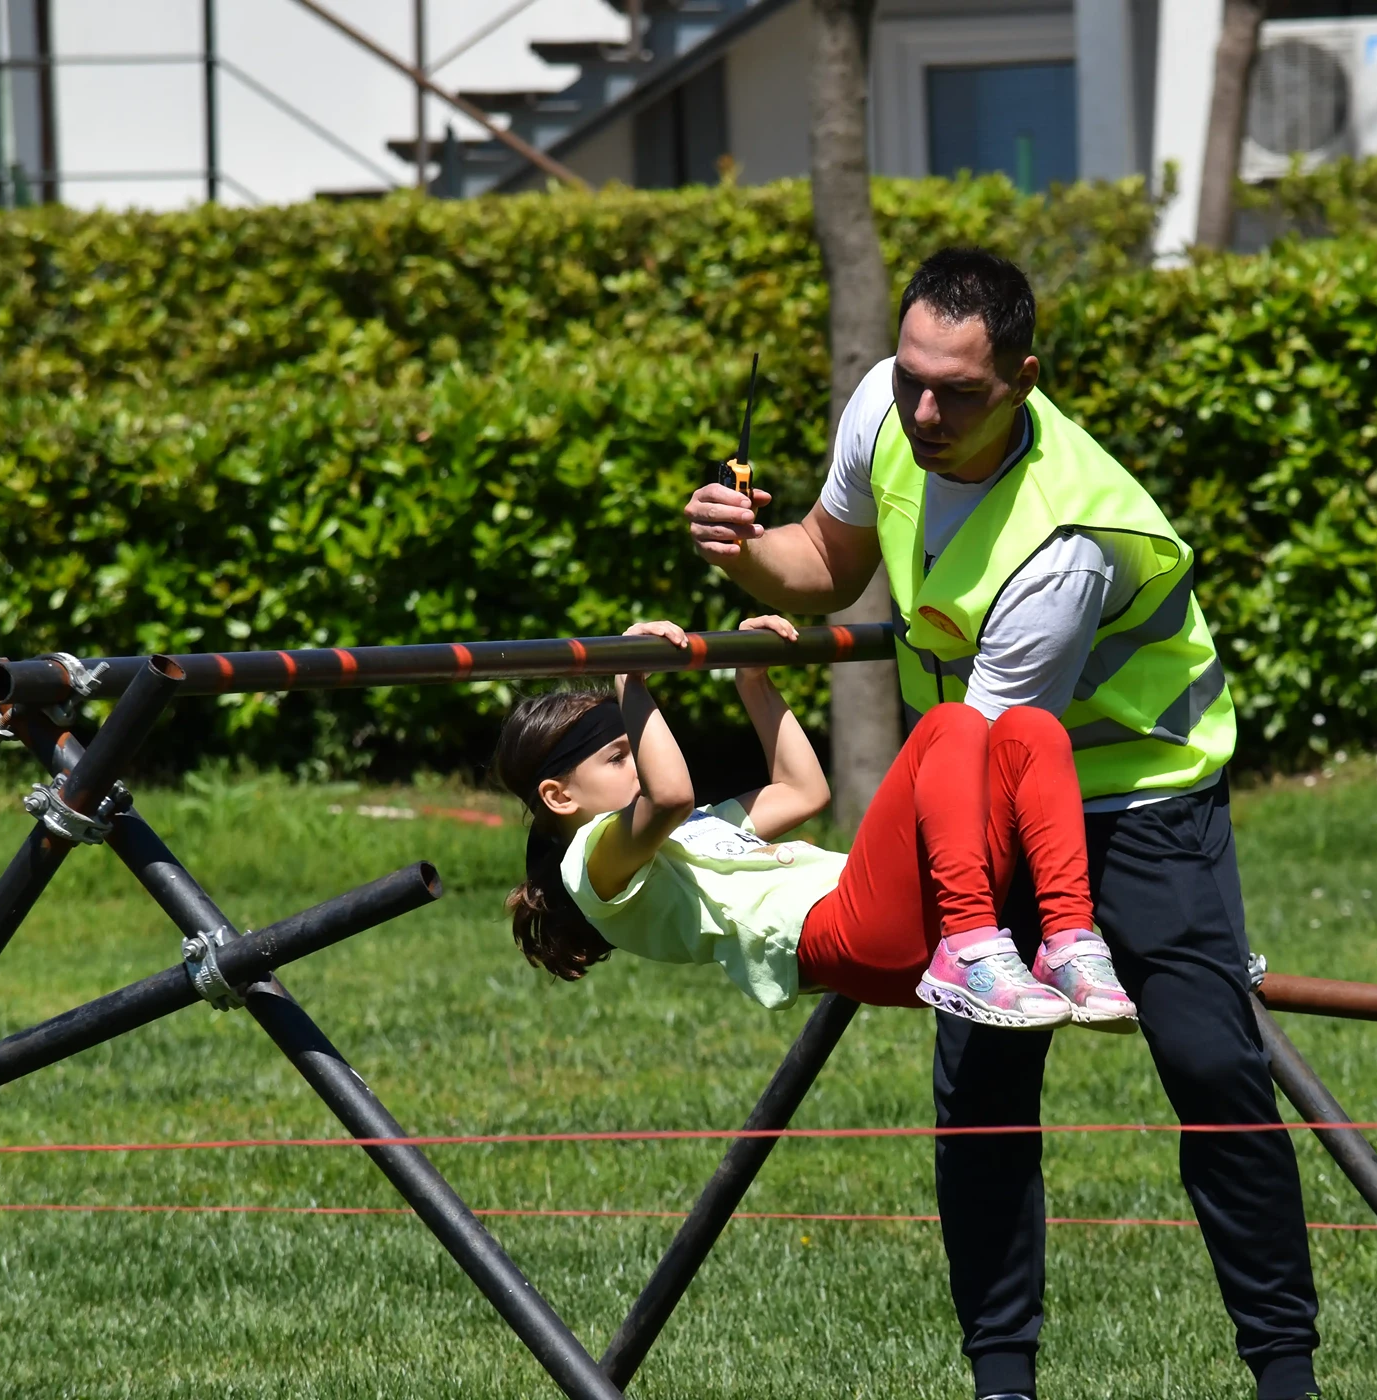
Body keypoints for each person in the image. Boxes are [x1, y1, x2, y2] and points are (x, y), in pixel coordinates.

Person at [683, 249, 1323, 1400]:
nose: (924, 413)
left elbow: (983, 757)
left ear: (1023, 379)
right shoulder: (886, 402)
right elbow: (823, 563)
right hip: (993, 771)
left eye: (959, 392)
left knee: (1211, 1064)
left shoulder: (1064, 540)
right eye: (913, 378)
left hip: (1141, 793)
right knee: (980, 1078)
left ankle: (1286, 1376)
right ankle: (1003, 1384)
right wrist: (742, 550)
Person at [497, 615, 1139, 1032]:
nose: (639, 760)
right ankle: (970, 948)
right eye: (619, 756)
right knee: (948, 725)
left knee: (1028, 730)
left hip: (898, 918)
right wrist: (630, 684)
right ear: (559, 797)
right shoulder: (592, 862)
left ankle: (1069, 944)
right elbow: (669, 795)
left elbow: (802, 791)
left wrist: (754, 683)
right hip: (840, 935)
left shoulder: (696, 830)